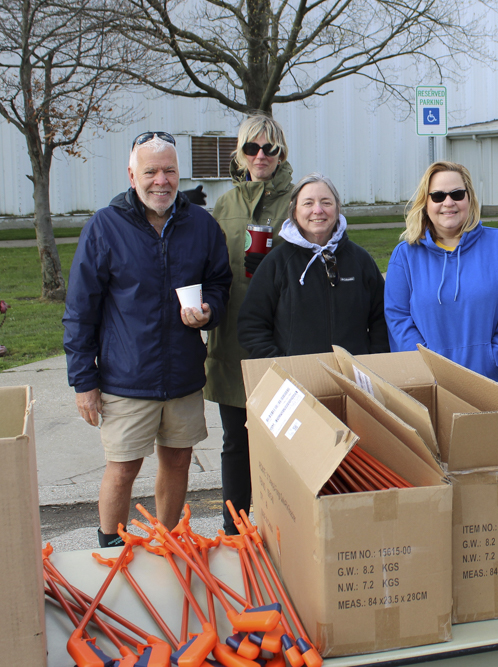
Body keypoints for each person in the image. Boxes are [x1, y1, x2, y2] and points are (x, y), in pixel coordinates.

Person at [63, 132, 232, 547]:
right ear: (131, 175)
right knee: (123, 468)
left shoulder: (201, 225)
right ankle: (110, 547)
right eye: (151, 171)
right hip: (126, 377)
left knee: (178, 460)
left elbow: (219, 284)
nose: (161, 180)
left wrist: (209, 309)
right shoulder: (105, 226)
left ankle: (167, 542)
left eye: (169, 171)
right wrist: (84, 381)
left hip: (183, 375)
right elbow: (80, 310)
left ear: (179, 174)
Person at [203, 114, 294, 535]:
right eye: (252, 148)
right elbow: (210, 265)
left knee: (283, 442)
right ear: (240, 154)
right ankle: (234, 531)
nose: (261, 156)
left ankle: (285, 531)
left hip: (282, 336)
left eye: (269, 148)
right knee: (235, 443)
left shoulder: (298, 199)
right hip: (233, 338)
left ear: (281, 154)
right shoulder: (225, 204)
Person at [384, 162, 498, 392]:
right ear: (425, 203)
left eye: (457, 194)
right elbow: (398, 317)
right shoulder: (405, 256)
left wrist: (496, 355)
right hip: (433, 385)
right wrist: (423, 363)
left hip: (496, 381)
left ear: (469, 198)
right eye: (438, 196)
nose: (448, 202)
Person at [238, 173, 389, 359]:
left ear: (337, 208)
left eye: (326, 202)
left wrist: (372, 361)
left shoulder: (361, 260)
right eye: (308, 203)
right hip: (296, 374)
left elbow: (382, 319)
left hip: (352, 373)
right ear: (294, 210)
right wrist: (280, 365)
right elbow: (251, 324)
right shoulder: (277, 262)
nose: (318, 210)